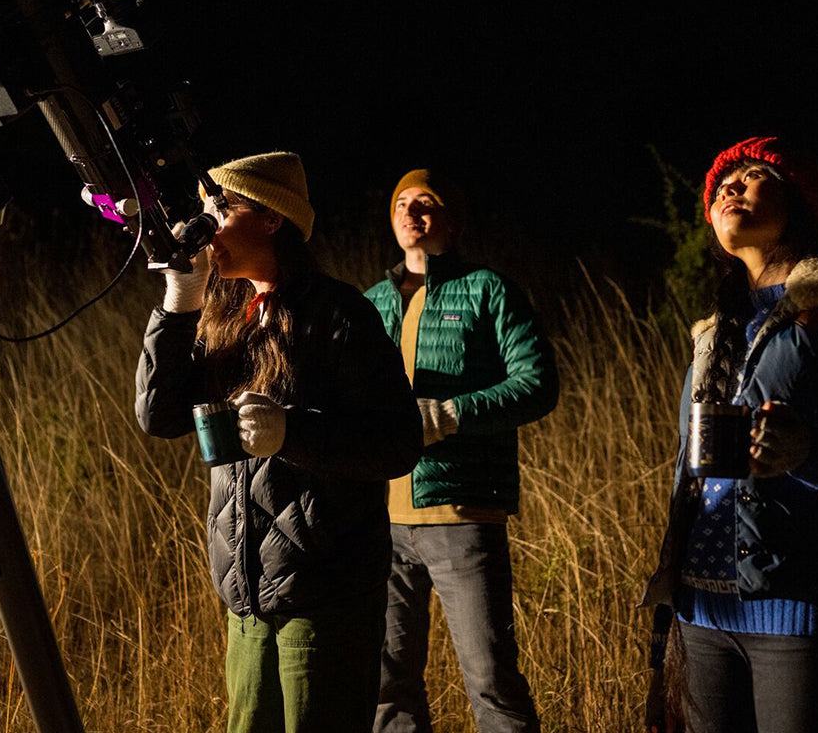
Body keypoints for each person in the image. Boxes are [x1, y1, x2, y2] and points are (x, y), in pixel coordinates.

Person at [134, 151, 423, 733]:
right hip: (247, 594)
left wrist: (293, 432)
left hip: (325, 594)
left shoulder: (340, 314)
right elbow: (157, 415)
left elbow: (397, 443)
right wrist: (178, 304)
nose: (206, 224)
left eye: (221, 208)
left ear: (271, 218)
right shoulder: (224, 315)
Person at [642, 136, 818, 733]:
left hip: (798, 605)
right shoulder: (714, 330)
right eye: (722, 184)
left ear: (800, 201)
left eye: (754, 176)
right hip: (703, 607)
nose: (731, 186)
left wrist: (810, 451)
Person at [365, 168, 558, 733]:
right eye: (401, 202)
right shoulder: (371, 301)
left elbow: (536, 384)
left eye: (427, 202)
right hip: (381, 520)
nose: (411, 212)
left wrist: (449, 415)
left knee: (490, 679)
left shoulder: (487, 289)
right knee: (386, 686)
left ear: (451, 218)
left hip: (461, 512)